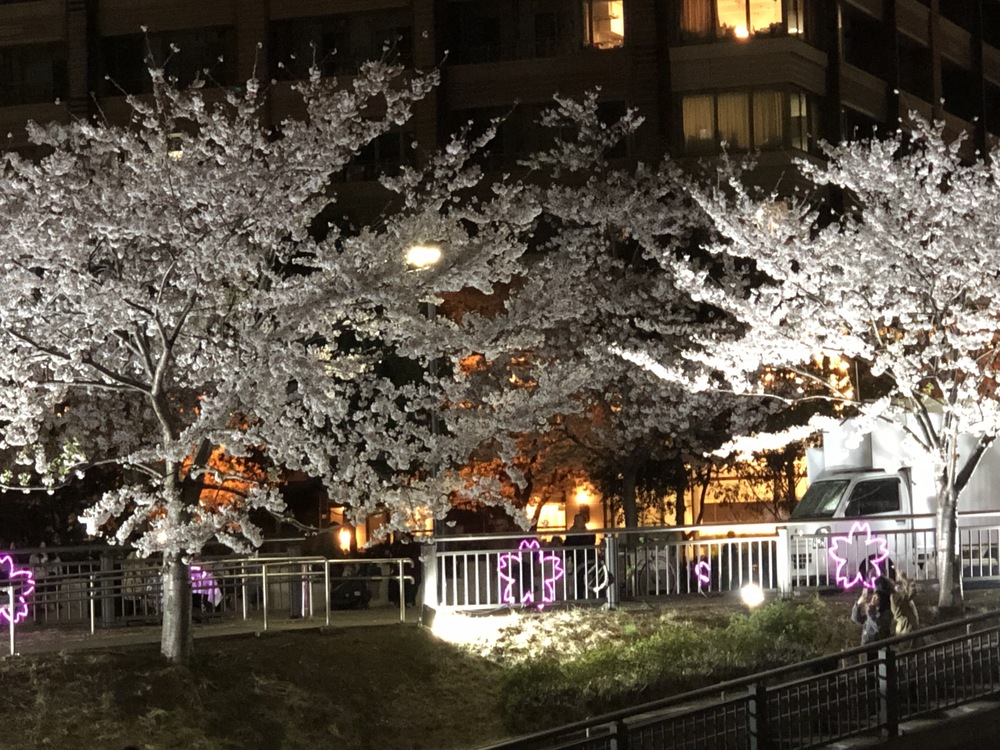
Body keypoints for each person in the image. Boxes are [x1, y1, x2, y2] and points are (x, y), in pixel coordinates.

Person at [851, 576, 893, 647]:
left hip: (878, 649)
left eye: (876, 597)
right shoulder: (872, 610)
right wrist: (858, 604)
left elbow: (879, 628)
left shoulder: (887, 613)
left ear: (882, 599)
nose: (873, 599)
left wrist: (871, 614)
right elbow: (855, 619)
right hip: (865, 648)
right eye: (873, 596)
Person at [890, 571, 920, 637]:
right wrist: (904, 579)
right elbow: (911, 593)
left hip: (906, 628)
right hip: (906, 630)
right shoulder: (895, 597)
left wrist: (904, 580)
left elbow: (908, 593)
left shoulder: (896, 597)